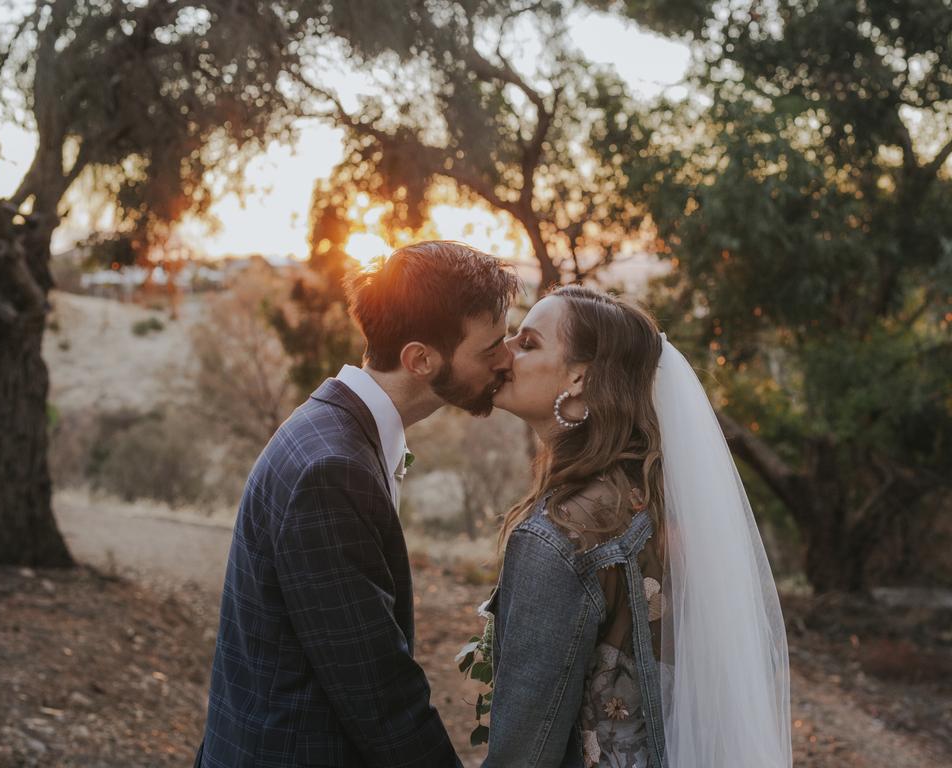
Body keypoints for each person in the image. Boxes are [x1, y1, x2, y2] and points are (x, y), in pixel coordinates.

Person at [194, 241, 520, 767]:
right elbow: (377, 691)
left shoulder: (330, 429)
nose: (506, 359)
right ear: (420, 359)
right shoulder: (332, 470)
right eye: (491, 348)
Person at [481, 285, 791, 768]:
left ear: (579, 378)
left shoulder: (557, 535)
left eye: (528, 343)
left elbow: (525, 749)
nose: (504, 355)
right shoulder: (656, 499)